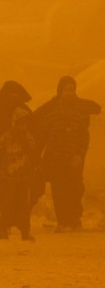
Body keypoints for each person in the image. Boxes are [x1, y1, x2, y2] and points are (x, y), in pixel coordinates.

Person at [35, 76, 101, 232]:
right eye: (66, 90)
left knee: (75, 189)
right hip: (56, 158)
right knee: (59, 190)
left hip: (75, 159)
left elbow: (84, 138)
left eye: (72, 90)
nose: (69, 93)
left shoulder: (79, 114)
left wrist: (79, 155)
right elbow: (42, 133)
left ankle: (74, 219)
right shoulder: (51, 112)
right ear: (60, 91)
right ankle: (63, 221)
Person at [0, 106, 39, 240]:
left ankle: (25, 232)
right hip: (7, 178)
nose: (23, 126)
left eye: (25, 123)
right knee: (6, 204)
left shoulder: (29, 138)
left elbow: (33, 154)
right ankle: (3, 228)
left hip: (23, 177)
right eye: (20, 123)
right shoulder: (5, 138)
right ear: (15, 123)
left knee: (23, 205)